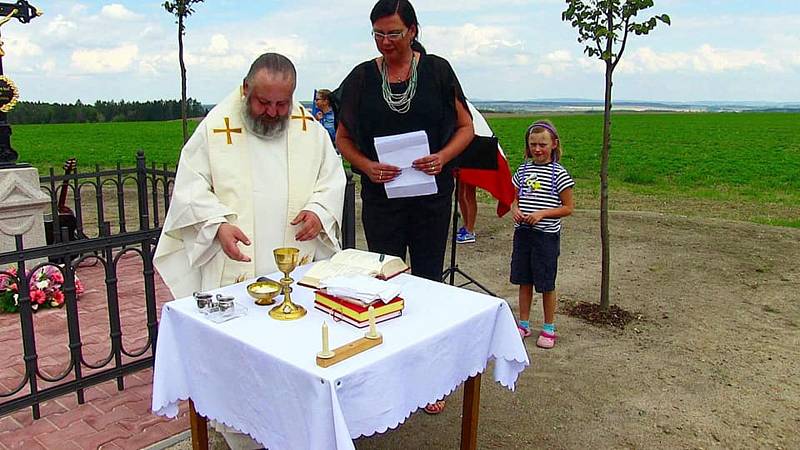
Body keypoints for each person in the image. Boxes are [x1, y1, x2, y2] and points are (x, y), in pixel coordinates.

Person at [154, 52, 344, 449]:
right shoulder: (216, 128)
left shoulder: (310, 129)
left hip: (298, 263)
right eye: (263, 102)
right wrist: (217, 224)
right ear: (245, 89)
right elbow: (189, 190)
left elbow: (332, 180)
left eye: (282, 103)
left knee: (295, 353)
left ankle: (297, 425)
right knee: (239, 366)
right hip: (237, 265)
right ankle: (243, 430)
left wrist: (319, 211)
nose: (273, 112)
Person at [335, 0, 474, 415]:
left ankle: (430, 378)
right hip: (382, 202)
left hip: (431, 199)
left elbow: (466, 127)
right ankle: (387, 371)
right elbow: (343, 139)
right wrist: (366, 167)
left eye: (393, 33)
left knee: (429, 283)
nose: (385, 42)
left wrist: (444, 156)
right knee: (384, 285)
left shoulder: (437, 71)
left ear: (413, 30)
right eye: (378, 34)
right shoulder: (361, 78)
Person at [510, 120, 575, 349]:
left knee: (546, 282)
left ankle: (549, 327)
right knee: (523, 280)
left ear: (554, 144)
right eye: (533, 144)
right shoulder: (523, 169)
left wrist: (542, 214)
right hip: (523, 234)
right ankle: (524, 322)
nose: (538, 149)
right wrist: (515, 209)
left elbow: (568, 207)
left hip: (545, 237)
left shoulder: (560, 174)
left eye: (543, 144)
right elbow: (513, 196)